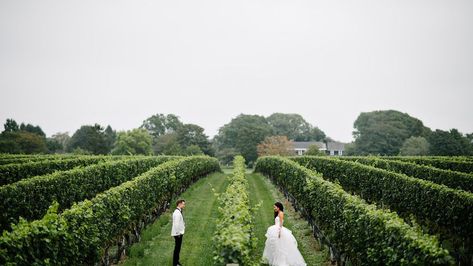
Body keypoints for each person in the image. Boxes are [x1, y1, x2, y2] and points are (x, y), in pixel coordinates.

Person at [262, 202, 306, 266]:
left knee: (281, 245)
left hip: (279, 229)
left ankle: (282, 260)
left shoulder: (281, 213)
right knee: (275, 244)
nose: (274, 208)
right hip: (276, 228)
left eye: (275, 207)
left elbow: (281, 223)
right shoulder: (277, 213)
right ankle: (275, 258)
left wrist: (279, 232)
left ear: (278, 207)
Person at [171, 199, 186, 266]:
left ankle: (177, 262)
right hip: (178, 234)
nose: (184, 205)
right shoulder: (177, 213)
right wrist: (178, 233)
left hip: (179, 233)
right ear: (179, 204)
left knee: (178, 248)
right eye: (183, 204)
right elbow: (176, 224)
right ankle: (175, 263)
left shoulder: (178, 211)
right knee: (177, 249)